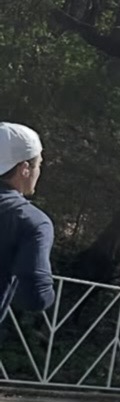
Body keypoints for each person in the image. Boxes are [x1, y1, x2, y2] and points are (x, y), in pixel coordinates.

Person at [0, 122, 54, 322]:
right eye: (38, 164)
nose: (39, 171)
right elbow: (35, 298)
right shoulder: (32, 221)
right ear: (24, 169)